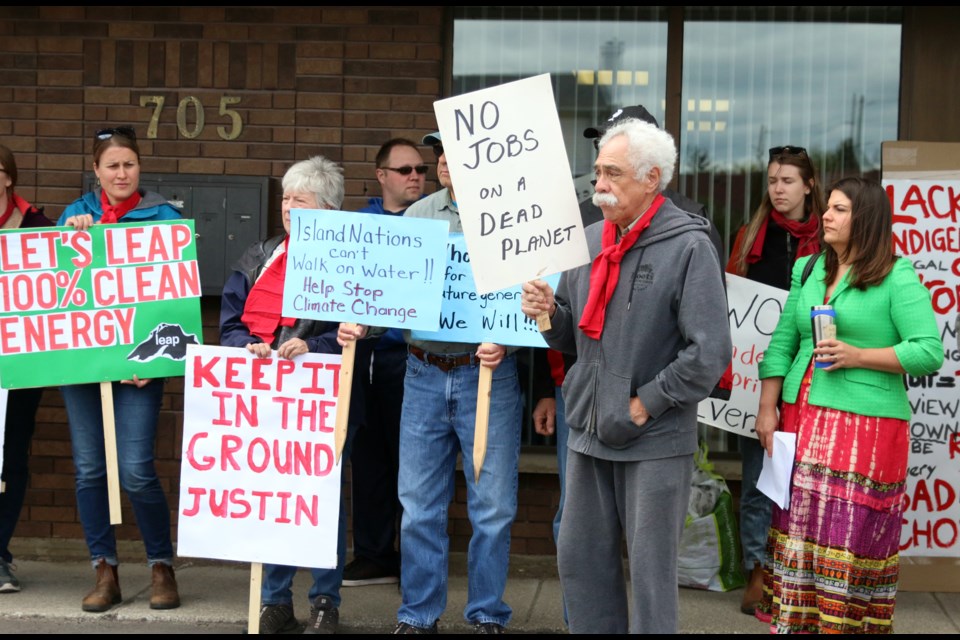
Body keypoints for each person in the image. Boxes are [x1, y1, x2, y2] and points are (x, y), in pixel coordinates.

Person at [521, 118, 731, 633]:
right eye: (598, 172)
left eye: (613, 173)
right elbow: (572, 337)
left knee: (652, 580)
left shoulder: (689, 246)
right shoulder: (589, 240)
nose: (600, 185)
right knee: (581, 564)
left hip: (654, 440)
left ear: (652, 178)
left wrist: (646, 403)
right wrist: (549, 314)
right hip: (588, 434)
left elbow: (710, 353)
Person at [339, 132, 522, 634]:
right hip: (421, 372)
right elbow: (392, 296)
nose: (443, 162)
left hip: (487, 375)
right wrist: (362, 323)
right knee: (418, 506)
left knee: (494, 507)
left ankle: (487, 615)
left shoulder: (512, 217)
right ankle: (418, 616)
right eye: (439, 153)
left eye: (455, 153)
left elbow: (534, 302)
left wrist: (510, 340)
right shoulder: (417, 217)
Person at [754, 177, 943, 634]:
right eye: (829, 208)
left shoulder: (897, 275)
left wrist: (858, 356)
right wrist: (767, 405)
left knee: (843, 539)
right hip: (801, 416)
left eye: (838, 210)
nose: (826, 217)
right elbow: (783, 340)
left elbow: (928, 351)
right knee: (798, 533)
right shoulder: (809, 268)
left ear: (866, 219)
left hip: (866, 426)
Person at [220, 155, 369, 634]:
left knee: (323, 501)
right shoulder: (259, 256)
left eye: (299, 200)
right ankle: (274, 599)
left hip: (325, 400)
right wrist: (250, 346)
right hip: (267, 397)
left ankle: (325, 600)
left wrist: (316, 345)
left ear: (326, 208)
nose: (287, 207)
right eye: (285, 198)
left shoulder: (352, 259)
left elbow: (362, 330)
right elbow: (230, 325)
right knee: (274, 497)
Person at [57, 126, 181, 612]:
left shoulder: (164, 217)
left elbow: (176, 299)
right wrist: (69, 243)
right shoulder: (74, 215)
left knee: (135, 471)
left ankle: (161, 567)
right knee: (89, 469)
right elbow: (55, 292)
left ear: (139, 168)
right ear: (96, 170)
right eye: (112, 165)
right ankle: (103, 570)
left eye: (129, 163)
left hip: (139, 368)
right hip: (83, 365)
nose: (122, 173)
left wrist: (161, 362)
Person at [726, 145, 824, 615]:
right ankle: (757, 570)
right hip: (755, 376)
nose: (778, 189)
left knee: (809, 477)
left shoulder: (829, 238)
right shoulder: (749, 238)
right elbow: (729, 307)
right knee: (758, 477)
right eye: (771, 181)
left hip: (812, 377)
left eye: (787, 181)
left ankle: (802, 573)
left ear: (809, 185)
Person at [344, 139, 428, 587]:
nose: (415, 176)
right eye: (404, 170)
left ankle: (412, 559)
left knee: (414, 462)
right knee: (368, 454)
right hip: (361, 358)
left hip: (412, 357)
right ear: (382, 176)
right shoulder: (359, 227)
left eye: (420, 170)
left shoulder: (434, 222)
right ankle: (375, 553)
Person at [0, 144, 53, 594]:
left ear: (7, 177)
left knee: (8, 458)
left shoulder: (37, 227)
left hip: (18, 368)